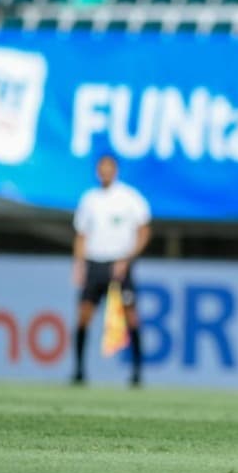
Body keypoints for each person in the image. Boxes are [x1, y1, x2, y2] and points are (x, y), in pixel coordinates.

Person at [72, 155, 151, 387]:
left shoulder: (129, 198)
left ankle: (137, 373)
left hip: (120, 264)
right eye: (101, 168)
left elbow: (144, 231)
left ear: (115, 171)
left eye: (109, 168)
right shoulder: (89, 200)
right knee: (84, 315)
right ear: (97, 171)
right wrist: (79, 264)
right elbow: (81, 235)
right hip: (95, 264)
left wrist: (127, 258)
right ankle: (79, 371)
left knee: (130, 317)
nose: (105, 172)